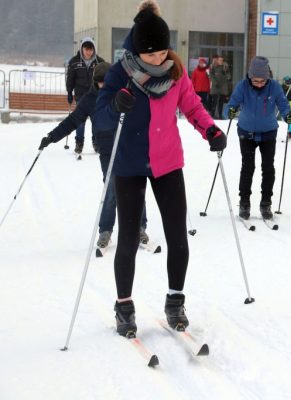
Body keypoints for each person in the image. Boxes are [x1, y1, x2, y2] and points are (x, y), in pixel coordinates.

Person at [94, 0, 227, 338]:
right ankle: (124, 306)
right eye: (150, 55)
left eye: (162, 52)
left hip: (168, 163)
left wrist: (210, 129)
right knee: (127, 238)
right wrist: (114, 104)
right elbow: (101, 116)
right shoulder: (120, 74)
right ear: (137, 50)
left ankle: (175, 301)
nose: (158, 59)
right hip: (130, 165)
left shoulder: (175, 72)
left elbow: (192, 106)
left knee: (177, 237)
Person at [39, 62, 151, 249]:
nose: (103, 87)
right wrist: (52, 137)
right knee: (112, 188)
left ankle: (139, 227)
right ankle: (105, 230)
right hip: (107, 150)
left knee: (135, 187)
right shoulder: (91, 99)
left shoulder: (125, 92)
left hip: (129, 147)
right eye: (100, 83)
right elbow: (73, 120)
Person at [226, 56, 291, 220]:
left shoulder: (274, 87)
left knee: (268, 168)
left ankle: (266, 202)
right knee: (248, 167)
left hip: (268, 132)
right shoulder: (243, 86)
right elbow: (232, 103)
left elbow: (283, 105)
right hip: (246, 131)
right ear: (250, 77)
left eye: (262, 81)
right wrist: (230, 111)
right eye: (255, 81)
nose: (259, 84)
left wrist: (288, 115)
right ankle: (244, 202)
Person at [66, 37, 105, 154]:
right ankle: (79, 143)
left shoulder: (99, 62)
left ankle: (96, 143)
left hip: (95, 97)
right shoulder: (74, 62)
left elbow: (105, 79)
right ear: (82, 49)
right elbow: (70, 79)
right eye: (86, 49)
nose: (88, 52)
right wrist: (69, 92)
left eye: (91, 49)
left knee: (96, 121)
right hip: (80, 97)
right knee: (80, 122)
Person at [209, 55, 231, 119]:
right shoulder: (213, 66)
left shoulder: (225, 67)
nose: (220, 61)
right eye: (219, 60)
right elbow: (211, 75)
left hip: (223, 87)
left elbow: (229, 76)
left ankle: (220, 115)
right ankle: (212, 114)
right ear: (217, 60)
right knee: (214, 101)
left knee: (221, 102)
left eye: (222, 60)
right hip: (215, 87)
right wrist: (215, 82)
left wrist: (226, 74)